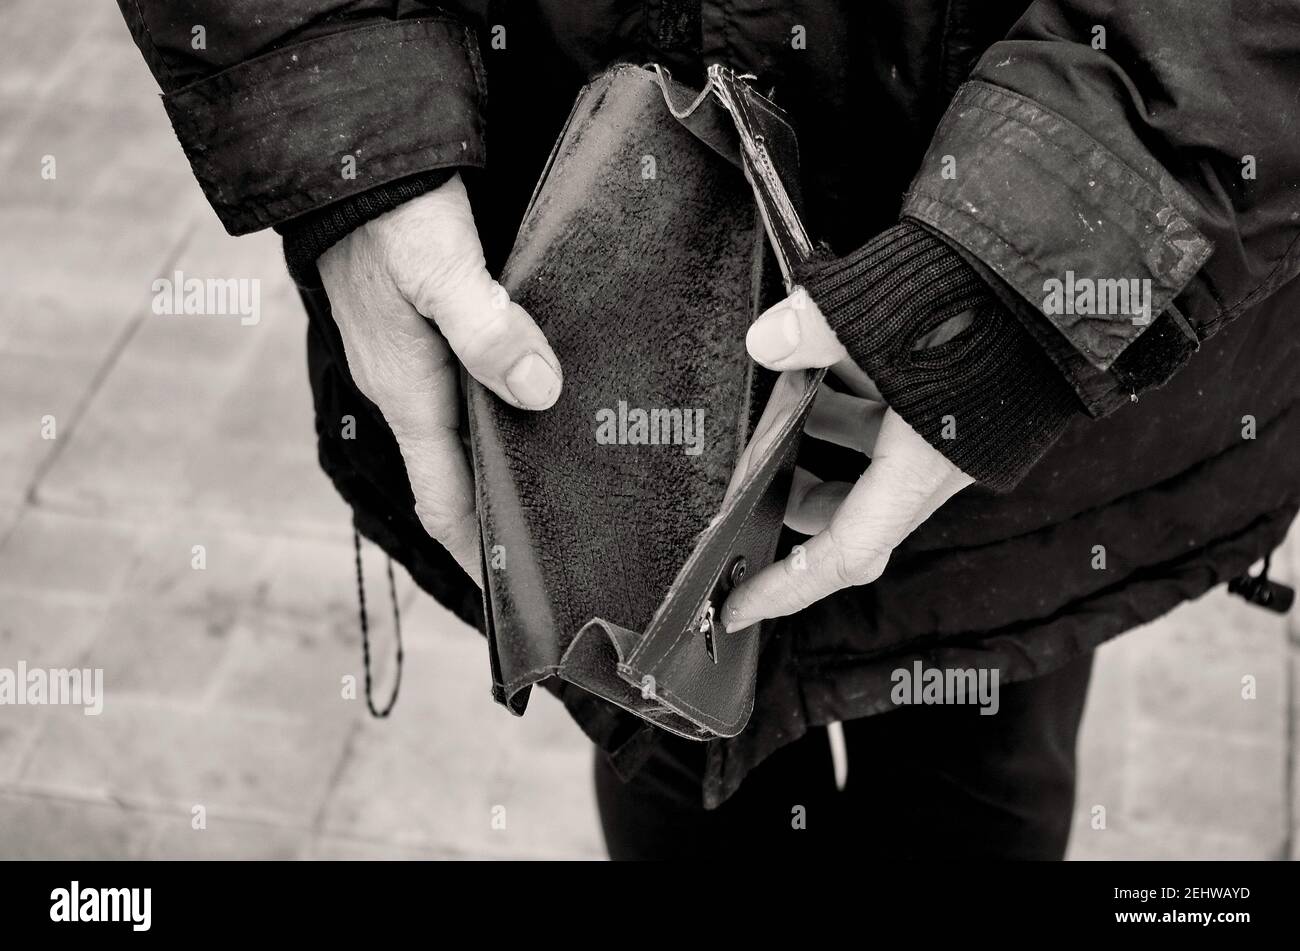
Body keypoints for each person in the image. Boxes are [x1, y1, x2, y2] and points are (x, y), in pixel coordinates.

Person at [114, 1, 1300, 860]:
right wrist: (345, 131)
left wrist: (1052, 248)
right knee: (662, 729)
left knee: (978, 749)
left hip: (1016, 391)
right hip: (564, 268)